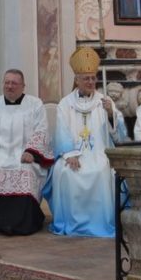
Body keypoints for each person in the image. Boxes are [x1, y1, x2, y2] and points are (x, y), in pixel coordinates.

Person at [43, 46, 127, 237]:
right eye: (86, 78)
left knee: (102, 170)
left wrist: (111, 114)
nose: (91, 81)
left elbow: (118, 135)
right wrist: (70, 154)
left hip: (99, 152)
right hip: (73, 153)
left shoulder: (104, 102)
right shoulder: (65, 103)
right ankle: (71, 223)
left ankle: (101, 223)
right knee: (63, 172)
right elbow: (62, 131)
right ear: (77, 80)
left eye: (93, 77)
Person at [0, 69, 53, 235]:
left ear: (23, 86)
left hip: (23, 156)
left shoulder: (35, 104)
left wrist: (31, 152)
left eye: (14, 83)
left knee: (25, 173)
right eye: (7, 82)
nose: (10, 86)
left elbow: (41, 131)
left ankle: (19, 224)